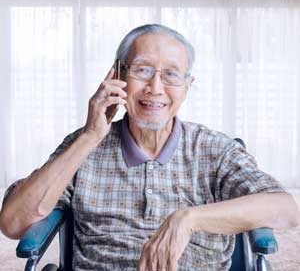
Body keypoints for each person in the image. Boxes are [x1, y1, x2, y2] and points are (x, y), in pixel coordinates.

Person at [0, 24, 299, 271]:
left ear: (187, 84)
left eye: (171, 74)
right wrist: (89, 137)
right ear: (117, 76)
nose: (155, 88)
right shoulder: (83, 145)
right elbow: (14, 223)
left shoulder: (214, 149)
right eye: (142, 70)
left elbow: (285, 209)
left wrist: (190, 219)